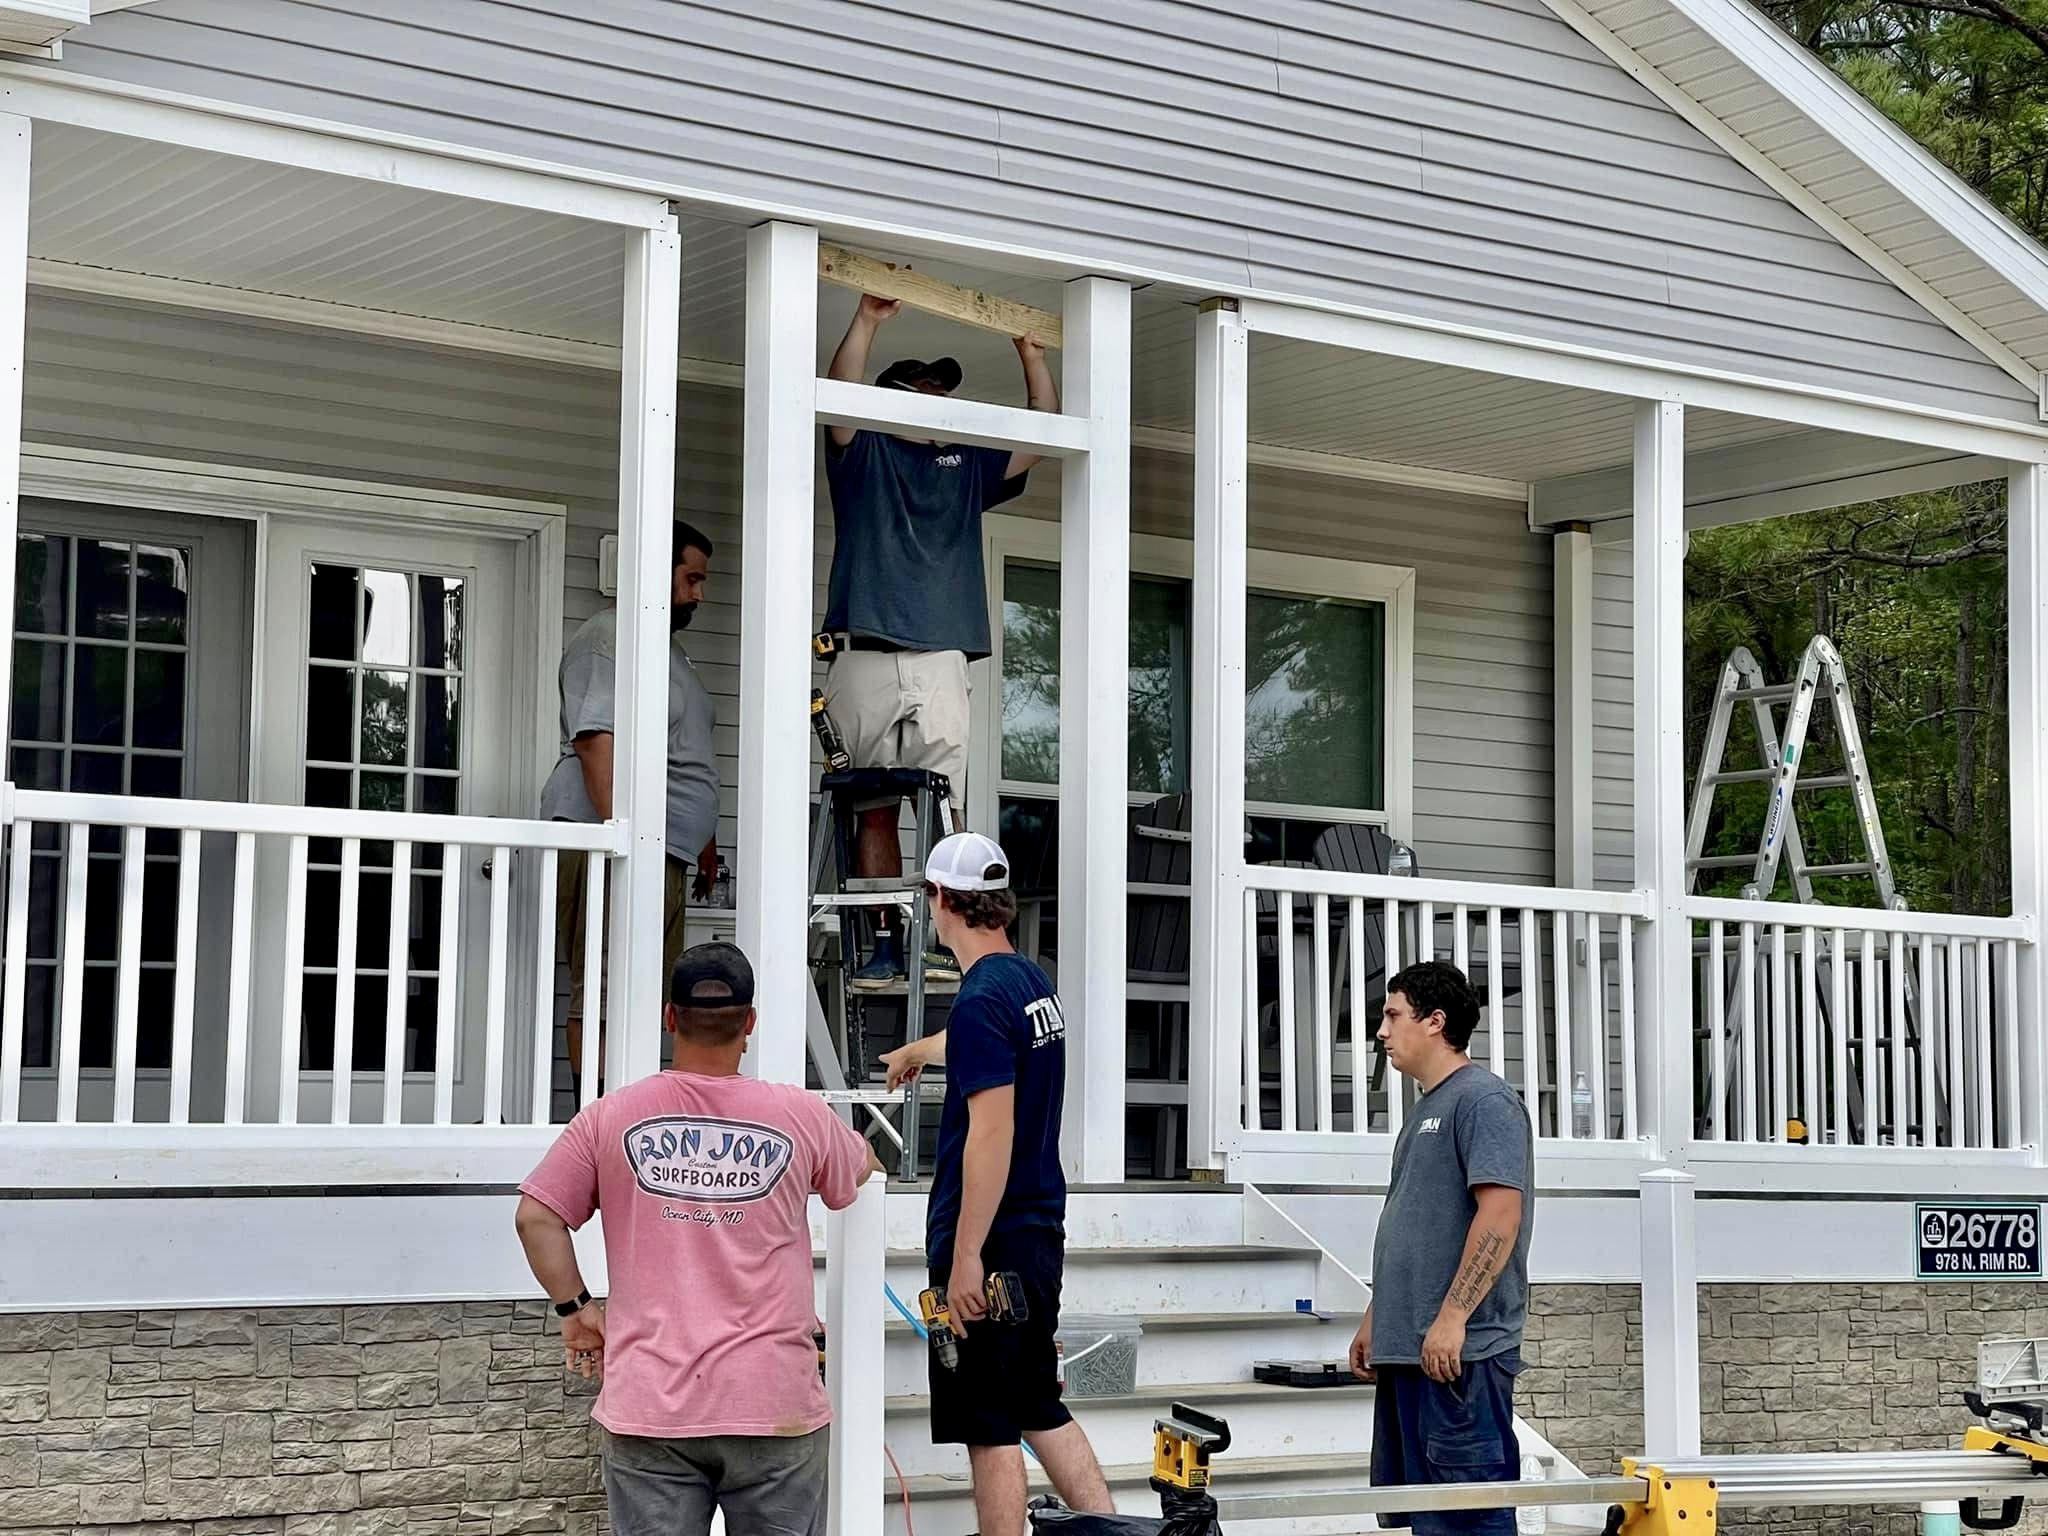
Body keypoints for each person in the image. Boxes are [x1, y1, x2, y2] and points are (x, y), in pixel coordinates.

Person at [515, 942, 879, 1536]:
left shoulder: (611, 1116)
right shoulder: (801, 1115)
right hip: (773, 1405)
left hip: (651, 1410)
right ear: (750, 1024)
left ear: (669, 1017)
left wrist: (576, 1309)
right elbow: (855, 1171)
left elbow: (536, 1217)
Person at [877, 831, 1112, 1536]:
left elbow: (992, 1131)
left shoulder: (980, 998)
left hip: (995, 1241)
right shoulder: (1029, 980)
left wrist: (966, 1256)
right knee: (1039, 1401)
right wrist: (925, 1047)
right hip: (1038, 1231)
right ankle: (1112, 1531)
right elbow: (988, 1038)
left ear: (939, 900)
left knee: (990, 1421)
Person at [821, 295, 1059, 990]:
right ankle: (883, 945)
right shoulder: (863, 453)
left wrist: (1031, 356)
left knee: (943, 805)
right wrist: (864, 320)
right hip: (863, 649)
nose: (940, 403)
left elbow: (1038, 438)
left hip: (941, 655)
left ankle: (940, 940)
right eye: (926, 391)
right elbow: (838, 402)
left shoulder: (964, 467)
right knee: (870, 805)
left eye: (944, 394)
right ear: (895, 398)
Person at [1349, 960, 1534, 1536]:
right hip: (1410, 1350)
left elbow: (1500, 1215)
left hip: (1462, 1356)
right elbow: (1414, 1222)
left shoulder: (1484, 1102)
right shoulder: (1425, 1108)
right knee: (1428, 1522)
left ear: (1435, 1021)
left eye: (1392, 1015)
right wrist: (1377, 1316)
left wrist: (1453, 1316)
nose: (1381, 1030)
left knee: (1468, 1520)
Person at [540, 520, 722, 1091]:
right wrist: (623, 839)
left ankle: (629, 1115)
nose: (699, 593)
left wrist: (705, 839)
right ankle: (595, 1125)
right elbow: (596, 740)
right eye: (690, 578)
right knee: (602, 987)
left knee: (648, 988)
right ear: (653, 568)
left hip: (664, 847)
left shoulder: (669, 652)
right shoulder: (609, 635)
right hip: (621, 844)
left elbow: (684, 749)